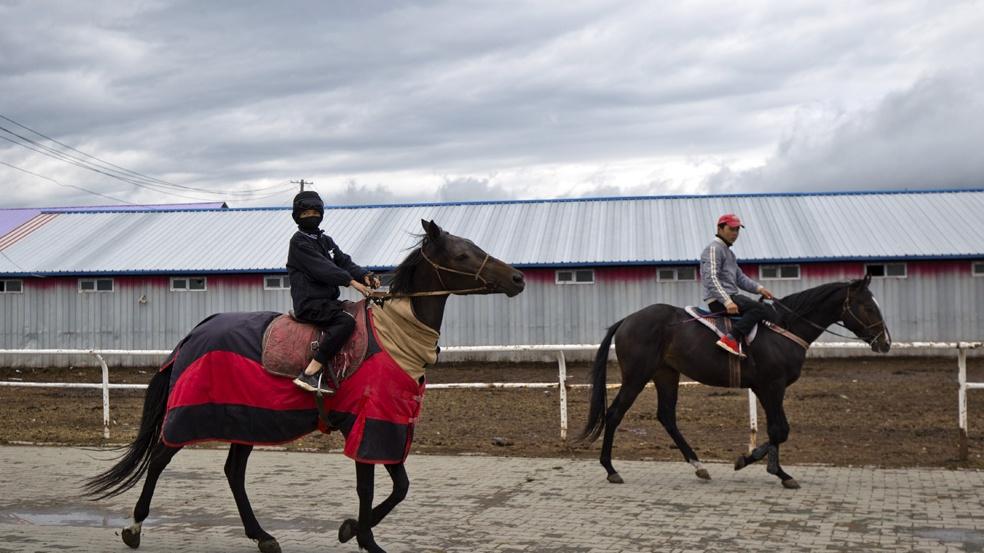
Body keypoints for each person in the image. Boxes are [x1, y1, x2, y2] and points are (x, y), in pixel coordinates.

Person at [287, 190, 380, 393]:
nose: (310, 216)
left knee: (360, 313)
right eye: (305, 214)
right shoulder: (299, 242)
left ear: (321, 214)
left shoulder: (325, 240)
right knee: (345, 321)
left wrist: (365, 275)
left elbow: (343, 261)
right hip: (310, 303)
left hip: (328, 302)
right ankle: (310, 373)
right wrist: (351, 282)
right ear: (297, 217)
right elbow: (324, 268)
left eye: (314, 212)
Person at [699, 213, 774, 358]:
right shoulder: (714, 249)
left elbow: (740, 278)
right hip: (720, 301)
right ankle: (731, 339)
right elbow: (711, 278)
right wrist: (727, 301)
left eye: (737, 230)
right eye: (731, 229)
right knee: (760, 309)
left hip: (731, 297)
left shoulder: (729, 253)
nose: (735, 233)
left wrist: (759, 289)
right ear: (720, 229)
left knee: (766, 309)